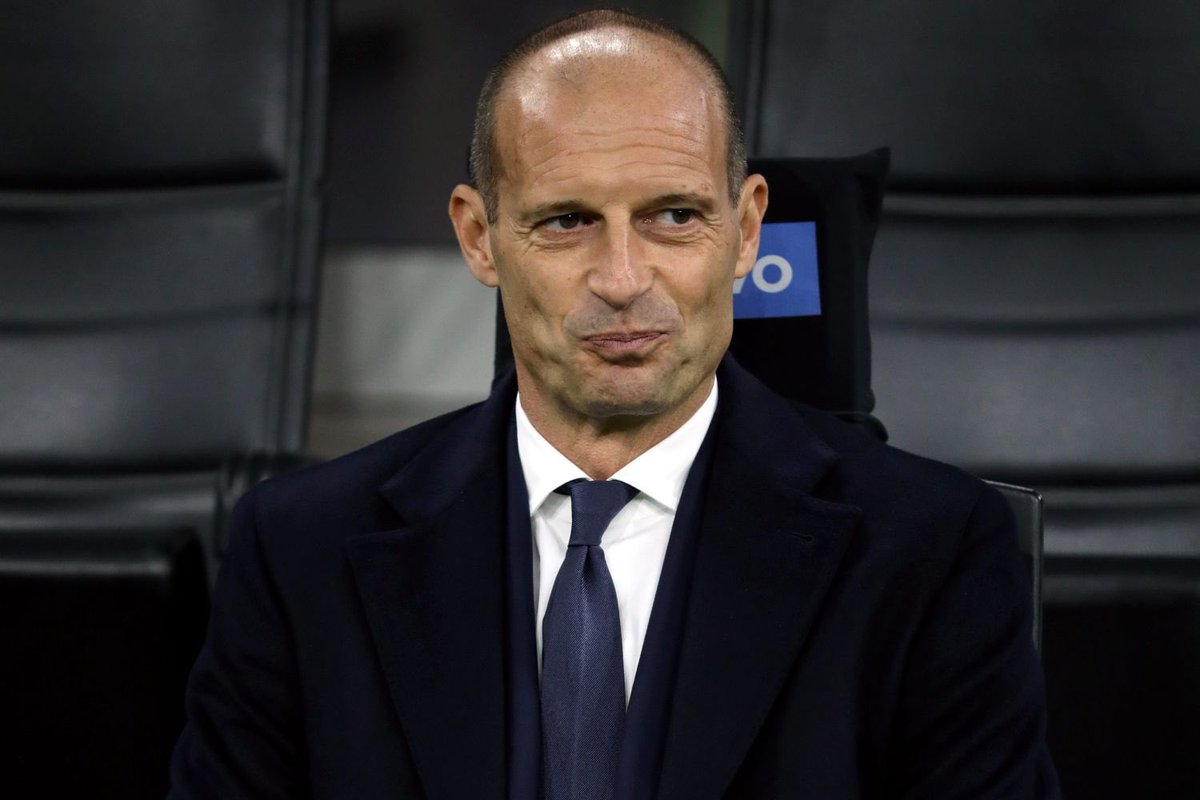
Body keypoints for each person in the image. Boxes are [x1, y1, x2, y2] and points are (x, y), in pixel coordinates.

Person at [169, 9, 1058, 799]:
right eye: (567, 222)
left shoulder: (931, 553)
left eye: (674, 216)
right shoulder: (298, 552)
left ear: (747, 230)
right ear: (479, 237)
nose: (624, 280)